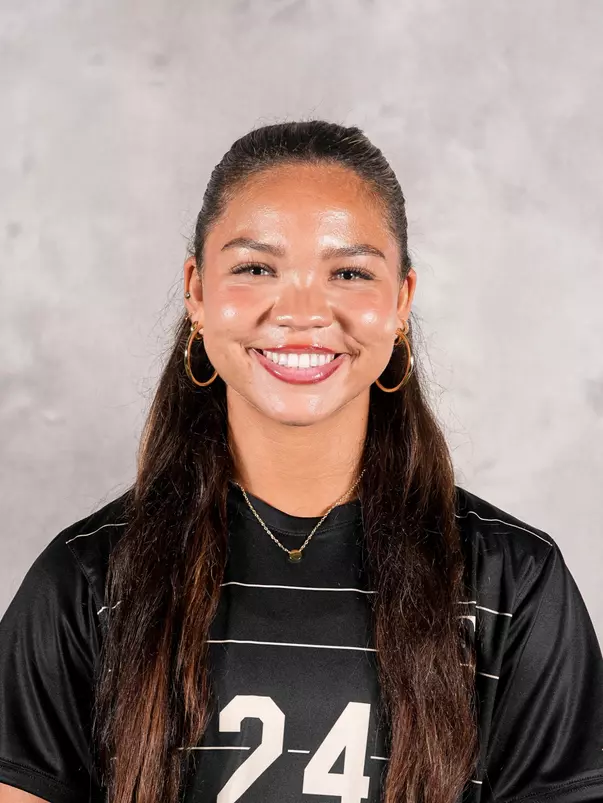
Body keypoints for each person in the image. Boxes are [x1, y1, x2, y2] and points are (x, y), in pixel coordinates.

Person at [0, 121, 602, 803]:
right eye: (256, 268)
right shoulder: (85, 580)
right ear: (197, 291)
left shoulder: (513, 584)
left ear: (401, 301)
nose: (303, 311)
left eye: (349, 273)